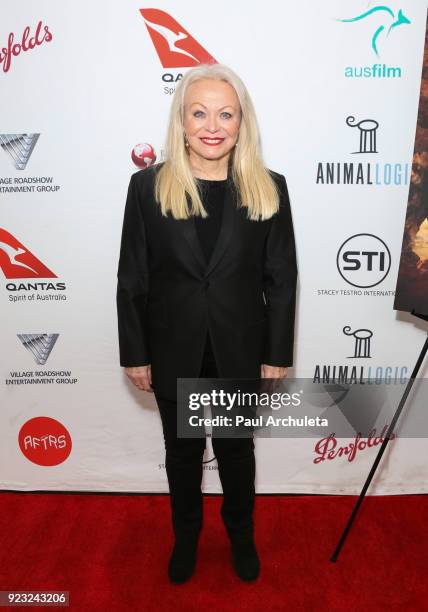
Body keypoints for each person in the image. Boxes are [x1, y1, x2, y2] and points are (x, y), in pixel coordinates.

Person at [116, 62, 297, 584]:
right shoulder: (147, 187)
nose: (212, 125)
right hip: (174, 347)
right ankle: (187, 536)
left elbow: (282, 278)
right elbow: (133, 277)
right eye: (199, 113)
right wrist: (135, 354)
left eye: (225, 113)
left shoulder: (270, 187)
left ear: (242, 122)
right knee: (182, 455)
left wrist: (277, 352)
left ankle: (241, 534)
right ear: (182, 120)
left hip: (240, 348)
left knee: (237, 454)